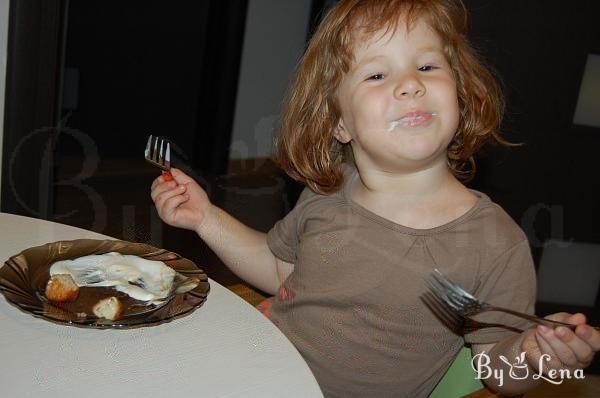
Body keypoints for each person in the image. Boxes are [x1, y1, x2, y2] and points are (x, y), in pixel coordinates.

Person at [150, 0, 600, 396]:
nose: (409, 85)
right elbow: (278, 270)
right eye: (378, 74)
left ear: (460, 94)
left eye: (427, 66)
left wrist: (538, 359)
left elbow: (495, 372)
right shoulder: (327, 193)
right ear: (339, 123)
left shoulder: (496, 241)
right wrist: (205, 217)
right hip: (257, 371)